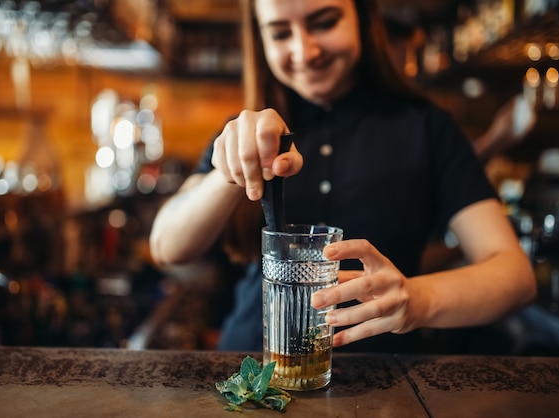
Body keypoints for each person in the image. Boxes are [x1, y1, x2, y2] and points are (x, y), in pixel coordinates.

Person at [149, 0, 536, 353]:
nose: (305, 51)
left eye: (324, 22)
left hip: (384, 385)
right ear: (260, 40)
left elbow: (515, 276)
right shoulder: (243, 133)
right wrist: (228, 173)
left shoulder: (427, 128)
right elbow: (167, 247)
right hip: (252, 371)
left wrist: (417, 299)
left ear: (363, 19)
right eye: (281, 33)